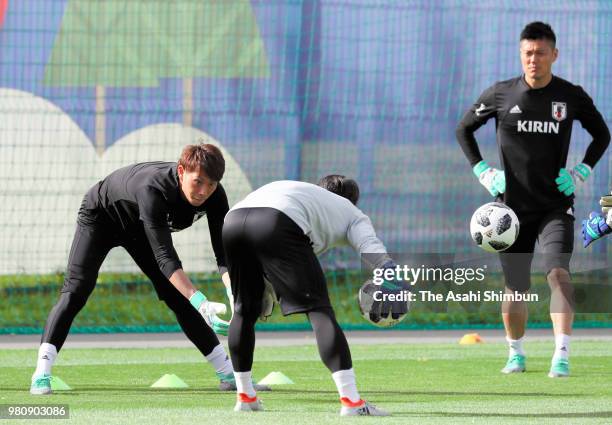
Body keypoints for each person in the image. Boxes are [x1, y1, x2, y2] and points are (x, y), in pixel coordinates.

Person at [30, 143, 269, 394]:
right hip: (101, 218)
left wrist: (233, 291)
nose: (203, 191)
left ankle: (228, 374)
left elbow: (223, 251)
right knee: (76, 291)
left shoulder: (215, 195)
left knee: (178, 297)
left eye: (211, 184)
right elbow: (165, 257)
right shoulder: (153, 189)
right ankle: (42, 372)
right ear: (180, 171)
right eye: (198, 182)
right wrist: (201, 302)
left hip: (139, 229)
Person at [456, 22, 610, 378]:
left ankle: (562, 354)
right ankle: (516, 354)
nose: (534, 59)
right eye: (528, 53)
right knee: (517, 287)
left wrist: (581, 172)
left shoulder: (570, 96)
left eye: (541, 53)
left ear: (554, 55)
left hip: (556, 205)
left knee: (558, 273)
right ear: (520, 54)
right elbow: (463, 128)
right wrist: (482, 171)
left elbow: (602, 134)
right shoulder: (501, 94)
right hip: (509, 210)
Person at [222, 176, 400, 416]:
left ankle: (245, 396)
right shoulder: (352, 212)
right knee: (319, 311)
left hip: (233, 221)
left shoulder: (305, 194)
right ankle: (352, 402)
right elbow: (369, 246)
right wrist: (391, 274)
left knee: (244, 310)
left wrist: (263, 285)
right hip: (277, 220)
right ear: (353, 201)